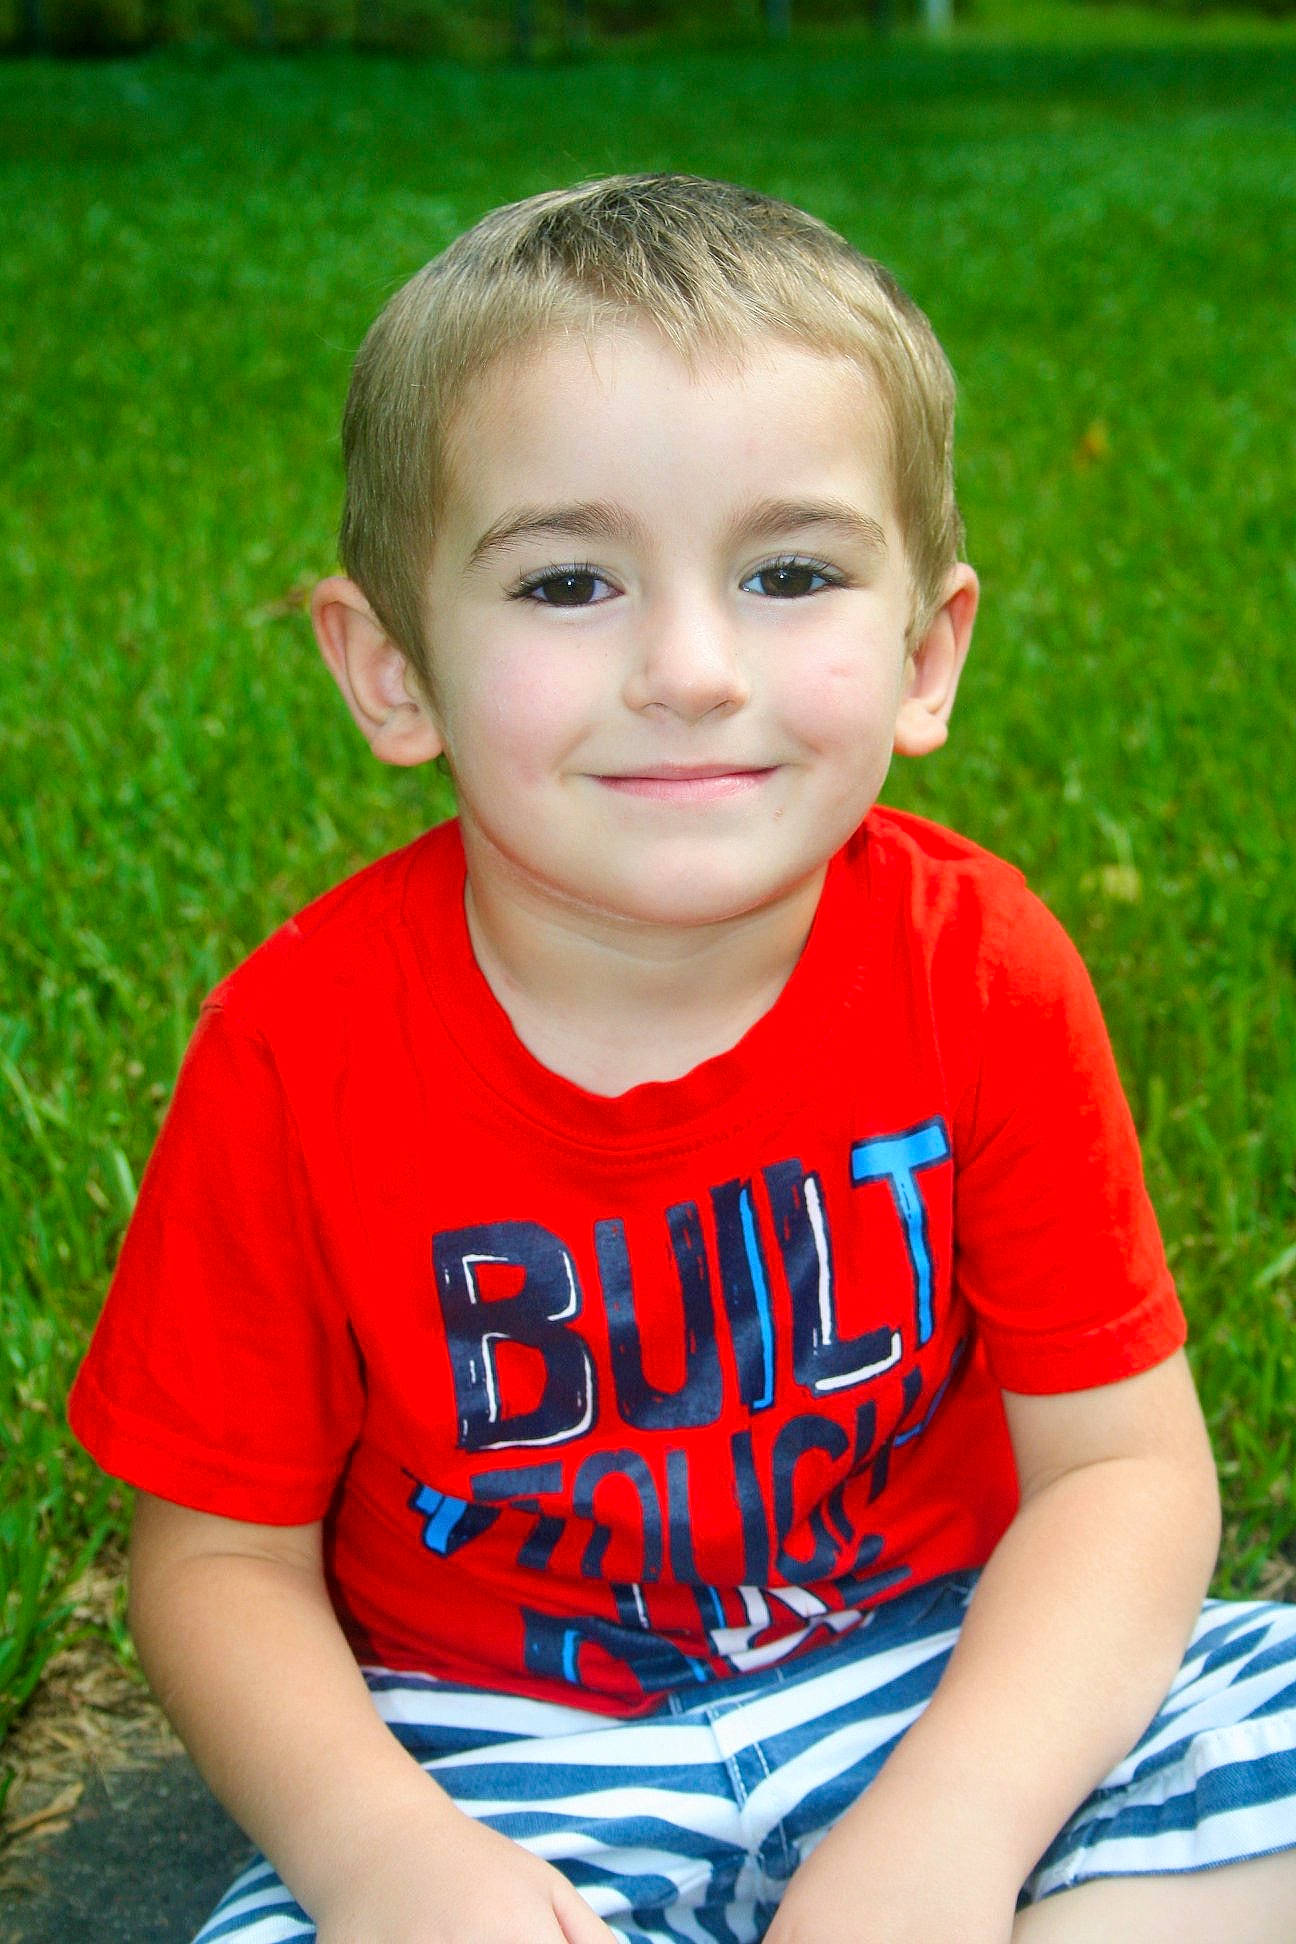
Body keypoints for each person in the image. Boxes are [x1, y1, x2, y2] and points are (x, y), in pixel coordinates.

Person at [69, 174, 1296, 1944]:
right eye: (567, 581)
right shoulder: (296, 1050)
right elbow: (215, 1564)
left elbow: (1123, 1474)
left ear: (926, 652)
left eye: (789, 573)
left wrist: (951, 1836)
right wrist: (384, 1860)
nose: (692, 668)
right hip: (496, 1759)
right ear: (390, 668)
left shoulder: (981, 969)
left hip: (952, 1671)